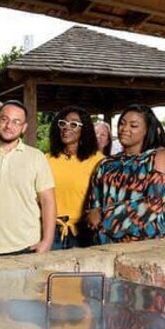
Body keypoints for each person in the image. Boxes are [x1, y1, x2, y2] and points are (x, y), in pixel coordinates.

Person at [87, 104, 165, 244]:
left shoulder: (159, 157)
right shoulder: (105, 164)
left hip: (149, 242)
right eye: (122, 124)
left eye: (133, 125)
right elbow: (93, 206)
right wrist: (93, 213)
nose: (124, 129)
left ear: (147, 130)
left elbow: (154, 203)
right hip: (108, 243)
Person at [0, 100, 55, 256]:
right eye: (4, 119)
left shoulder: (36, 157)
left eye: (16, 122)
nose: (9, 126)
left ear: (24, 128)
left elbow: (48, 202)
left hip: (29, 246)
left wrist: (47, 242)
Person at [47, 106, 104, 249]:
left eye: (74, 124)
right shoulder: (46, 160)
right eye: (63, 123)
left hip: (84, 234)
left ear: (84, 130)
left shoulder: (99, 161)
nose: (66, 128)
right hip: (50, 232)